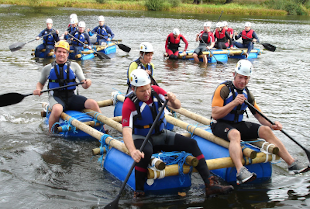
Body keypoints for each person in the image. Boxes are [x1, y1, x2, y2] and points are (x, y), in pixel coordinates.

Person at [122, 69, 234, 197]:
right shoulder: (128, 104)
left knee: (192, 143)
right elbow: (126, 131)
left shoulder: (156, 91)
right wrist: (133, 151)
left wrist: (173, 100)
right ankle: (139, 192)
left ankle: (210, 184)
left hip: (160, 134)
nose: (147, 93)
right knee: (144, 153)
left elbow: (177, 106)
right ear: (133, 88)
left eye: (148, 88)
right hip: (141, 137)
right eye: (142, 91)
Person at [210, 59, 310, 185]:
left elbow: (259, 115)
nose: (243, 81)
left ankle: (291, 163)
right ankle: (240, 171)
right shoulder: (223, 89)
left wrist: (272, 124)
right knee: (235, 134)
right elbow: (215, 114)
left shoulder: (247, 93)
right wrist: (234, 103)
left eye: (246, 78)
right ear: (234, 74)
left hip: (237, 125)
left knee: (265, 130)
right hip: (220, 125)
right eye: (240, 77)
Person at [33, 40, 101, 132]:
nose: (61, 54)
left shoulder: (75, 66)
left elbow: (84, 84)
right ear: (55, 52)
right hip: (56, 97)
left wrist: (87, 82)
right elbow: (40, 83)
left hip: (71, 97)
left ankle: (102, 128)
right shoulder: (47, 68)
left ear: (67, 54)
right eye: (59, 51)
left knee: (93, 103)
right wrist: (38, 89)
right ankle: (51, 133)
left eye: (64, 52)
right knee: (57, 109)